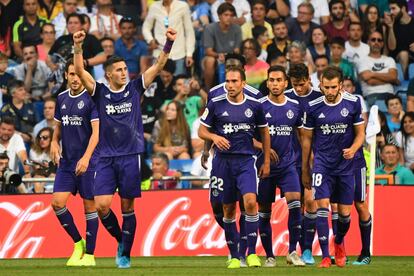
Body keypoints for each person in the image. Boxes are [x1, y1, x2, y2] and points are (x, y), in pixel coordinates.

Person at [73, 27, 177, 268]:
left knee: (127, 206)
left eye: (124, 69)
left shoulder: (134, 88)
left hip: (131, 156)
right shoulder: (99, 92)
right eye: (118, 70)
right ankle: (121, 239)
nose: (123, 72)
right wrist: (77, 46)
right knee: (101, 205)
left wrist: (168, 43)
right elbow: (79, 70)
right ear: (108, 75)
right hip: (107, 157)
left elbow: (158, 66)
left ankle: (125, 254)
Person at [198, 66, 270, 268]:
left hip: (246, 161)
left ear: (243, 84)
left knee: (250, 203)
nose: (230, 85)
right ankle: (235, 256)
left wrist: (265, 161)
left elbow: (264, 133)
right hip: (223, 162)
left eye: (234, 81)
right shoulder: (215, 104)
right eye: (227, 81)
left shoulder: (255, 105)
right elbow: (202, 130)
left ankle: (253, 253)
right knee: (228, 209)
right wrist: (214, 137)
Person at [301, 66, 365, 268]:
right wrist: (305, 168)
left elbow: (360, 134)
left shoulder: (353, 103)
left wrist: (353, 149)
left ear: (340, 86)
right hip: (323, 164)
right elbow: (307, 139)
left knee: (345, 215)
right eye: (325, 87)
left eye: (333, 87)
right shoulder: (313, 106)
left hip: (346, 165)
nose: (329, 91)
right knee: (322, 206)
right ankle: (326, 256)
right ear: (320, 84)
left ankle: (338, 242)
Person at [49, 58, 99, 266]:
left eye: (78, 74)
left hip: (88, 162)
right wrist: (53, 142)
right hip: (67, 163)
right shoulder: (61, 98)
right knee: (57, 203)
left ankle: (90, 255)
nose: (75, 78)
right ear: (66, 76)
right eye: (71, 74)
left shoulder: (92, 99)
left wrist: (86, 158)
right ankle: (78, 243)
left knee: (89, 207)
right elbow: (58, 128)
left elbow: (96, 134)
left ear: (83, 75)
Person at [257, 65, 305, 267]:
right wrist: (264, 148)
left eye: (279, 80)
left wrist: (306, 165)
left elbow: (303, 137)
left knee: (296, 204)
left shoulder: (295, 106)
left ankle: (292, 251)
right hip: (265, 167)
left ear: (286, 83)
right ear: (267, 82)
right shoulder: (258, 105)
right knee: (264, 212)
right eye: (271, 80)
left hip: (288, 165)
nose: (275, 84)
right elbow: (247, 136)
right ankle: (269, 255)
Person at [285, 63, 321, 265]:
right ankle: (293, 250)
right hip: (291, 160)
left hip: (314, 159)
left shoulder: (319, 97)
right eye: (294, 84)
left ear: (309, 79)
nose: (298, 89)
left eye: (301, 84)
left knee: (310, 202)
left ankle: (307, 250)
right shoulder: (286, 97)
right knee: (295, 206)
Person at [143, 0, 195, 75]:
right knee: (158, 82)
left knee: (177, 83)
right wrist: (151, 40)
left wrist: (189, 54)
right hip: (159, 53)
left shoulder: (183, 6)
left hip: (178, 53)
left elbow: (189, 31)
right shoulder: (154, 7)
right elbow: (146, 27)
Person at [202, 2, 242, 89]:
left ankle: (236, 89)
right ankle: (208, 90)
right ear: (219, 16)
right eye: (226, 15)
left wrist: (228, 56)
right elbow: (208, 51)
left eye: (231, 15)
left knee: (237, 61)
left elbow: (237, 50)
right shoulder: (210, 28)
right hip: (214, 56)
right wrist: (219, 55)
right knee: (210, 61)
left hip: (231, 56)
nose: (229, 18)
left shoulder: (237, 28)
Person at [357, 31, 399, 108]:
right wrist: (390, 80)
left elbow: (393, 77)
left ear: (382, 44)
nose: (376, 42)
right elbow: (370, 81)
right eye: (373, 40)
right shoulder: (362, 60)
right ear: (368, 42)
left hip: (390, 95)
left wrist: (373, 74)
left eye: (379, 40)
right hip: (372, 95)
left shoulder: (389, 60)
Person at [386, 0, 414, 79]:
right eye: (390, 9)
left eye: (393, 8)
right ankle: (406, 82)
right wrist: (391, 28)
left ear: (403, 9)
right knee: (403, 54)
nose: (391, 12)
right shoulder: (392, 24)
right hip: (398, 57)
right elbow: (392, 48)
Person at [29, 127, 55, 193]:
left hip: (53, 176)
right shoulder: (33, 151)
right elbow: (38, 169)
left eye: (45, 138)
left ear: (52, 139)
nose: (41, 140)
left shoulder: (57, 151)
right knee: (38, 179)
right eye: (40, 137)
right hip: (38, 176)